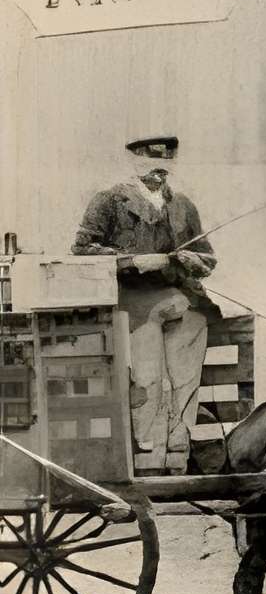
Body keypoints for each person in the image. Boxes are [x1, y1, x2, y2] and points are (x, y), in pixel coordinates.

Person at [72, 136, 219, 470]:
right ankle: (147, 454)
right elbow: (82, 249)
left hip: (178, 297)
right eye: (152, 165)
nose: (159, 172)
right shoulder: (110, 201)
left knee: (188, 354)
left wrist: (194, 260)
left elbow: (209, 258)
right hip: (130, 298)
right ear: (135, 162)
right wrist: (134, 261)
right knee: (148, 371)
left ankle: (179, 450)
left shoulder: (182, 205)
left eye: (166, 166)